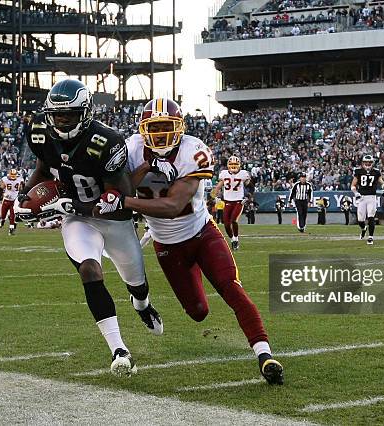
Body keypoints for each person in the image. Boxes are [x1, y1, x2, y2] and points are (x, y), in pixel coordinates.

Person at [99, 97, 284, 385]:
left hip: (202, 234)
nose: (160, 134)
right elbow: (119, 187)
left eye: (166, 127)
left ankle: (265, 355)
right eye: (154, 128)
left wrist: (124, 201)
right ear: (143, 129)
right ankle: (142, 302)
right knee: (198, 312)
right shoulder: (132, 148)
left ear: (179, 128)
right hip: (167, 245)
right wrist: (147, 168)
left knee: (231, 287)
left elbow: (173, 206)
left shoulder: (193, 151)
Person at [17, 79, 162, 376]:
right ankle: (119, 350)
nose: (61, 120)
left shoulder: (106, 141)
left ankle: (142, 304)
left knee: (137, 283)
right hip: (77, 219)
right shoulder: (40, 132)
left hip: (113, 217)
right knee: (89, 269)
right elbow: (44, 169)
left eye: (68, 113)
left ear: (85, 112)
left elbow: (120, 196)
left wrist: (73, 206)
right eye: (57, 114)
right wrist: (25, 196)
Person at [211, 156, 252, 250]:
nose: (233, 166)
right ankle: (233, 240)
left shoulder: (243, 174)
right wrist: (214, 196)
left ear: (239, 165)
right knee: (226, 223)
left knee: (233, 220)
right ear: (228, 165)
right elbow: (217, 187)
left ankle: (236, 239)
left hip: (238, 201)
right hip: (228, 201)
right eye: (232, 164)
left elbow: (250, 187)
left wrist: (248, 197)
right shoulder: (224, 174)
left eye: (235, 164)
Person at [351, 155, 384, 245]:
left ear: (372, 163)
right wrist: (356, 193)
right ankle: (364, 229)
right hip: (362, 198)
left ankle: (370, 237)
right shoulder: (358, 171)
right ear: (363, 163)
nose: (367, 164)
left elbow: (381, 182)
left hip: (371, 197)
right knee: (360, 220)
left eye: (369, 162)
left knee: (371, 217)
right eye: (366, 162)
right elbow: (353, 185)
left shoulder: (376, 172)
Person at [0, 168, 24, 235]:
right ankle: (2, 221)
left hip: (14, 201)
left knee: (12, 215)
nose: (12, 178)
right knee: (3, 215)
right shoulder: (17, 179)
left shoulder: (12, 179)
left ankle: (11, 230)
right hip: (7, 200)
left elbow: (1, 188)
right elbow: (21, 188)